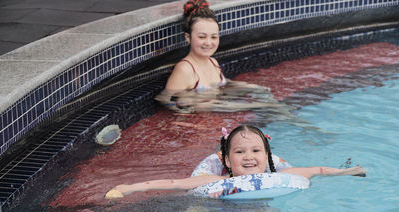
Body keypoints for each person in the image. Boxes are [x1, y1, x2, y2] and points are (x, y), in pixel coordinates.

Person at [105, 124, 366, 199]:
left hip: (261, 204)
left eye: (256, 151)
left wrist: (350, 172)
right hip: (218, 206)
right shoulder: (216, 180)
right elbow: (173, 182)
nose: (249, 157)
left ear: (267, 156)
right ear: (227, 161)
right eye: (240, 153)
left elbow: (319, 170)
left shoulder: (288, 172)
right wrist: (127, 189)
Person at [155, 0, 227, 112]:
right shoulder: (185, 69)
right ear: (188, 37)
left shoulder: (213, 63)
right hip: (196, 122)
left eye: (214, 37)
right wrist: (192, 109)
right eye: (202, 37)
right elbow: (165, 100)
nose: (208, 43)